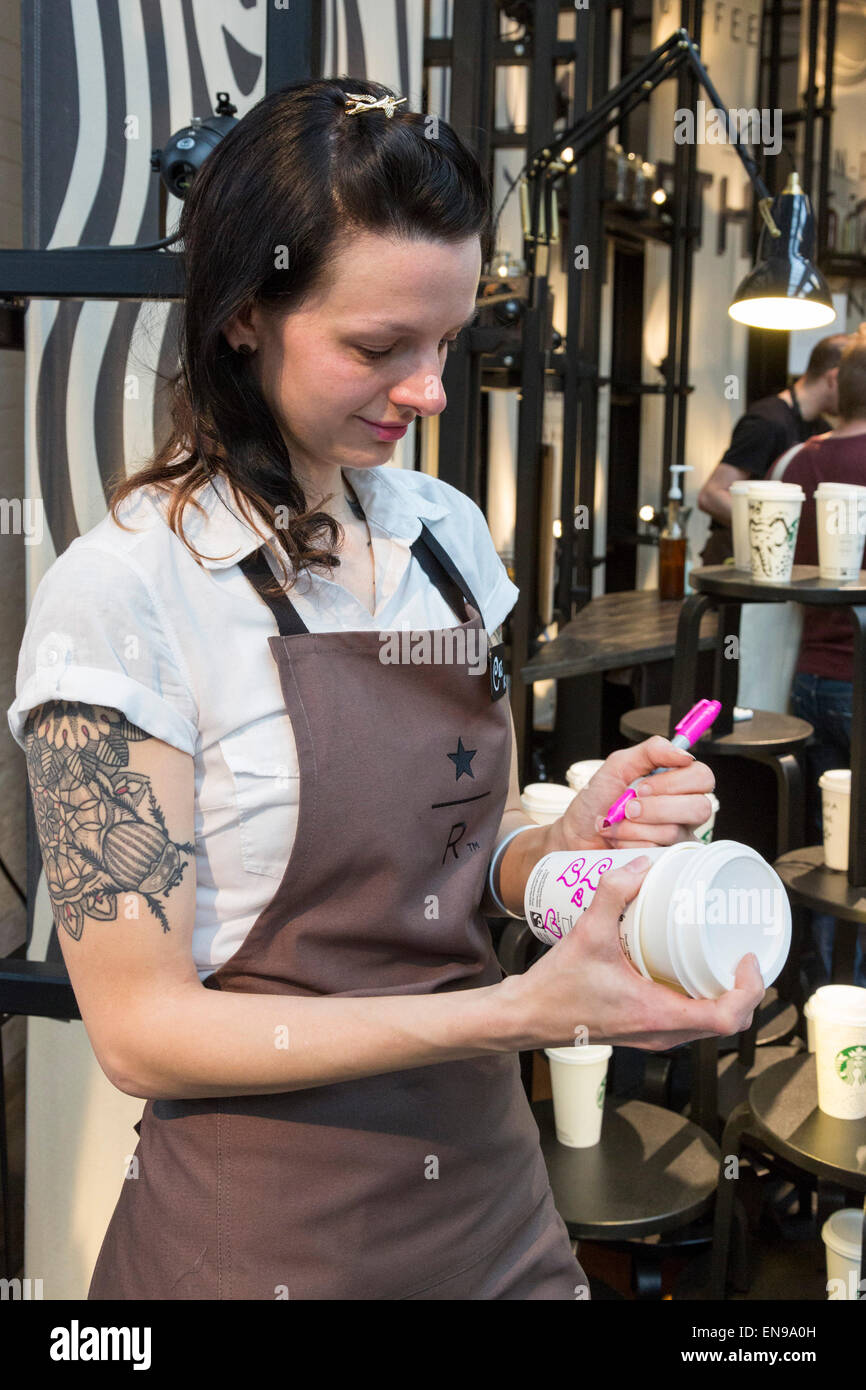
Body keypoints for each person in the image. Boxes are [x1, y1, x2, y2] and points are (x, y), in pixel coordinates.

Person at [7, 77, 763, 1302]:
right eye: (377, 348)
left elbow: (471, 843)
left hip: (490, 1209)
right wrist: (514, 1012)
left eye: (447, 342)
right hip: (265, 1241)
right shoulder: (126, 600)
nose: (430, 392)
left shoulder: (443, 541)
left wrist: (561, 845)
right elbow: (142, 1033)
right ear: (247, 313)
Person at [770, 337, 866, 988]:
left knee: (831, 850)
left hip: (808, 677)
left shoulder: (799, 461)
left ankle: (821, 987)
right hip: (861, 680)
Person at [696, 334, 850, 565]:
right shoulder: (767, 421)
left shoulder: (820, 428)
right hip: (734, 561)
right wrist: (779, 529)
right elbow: (711, 496)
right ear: (833, 378)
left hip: (772, 560)